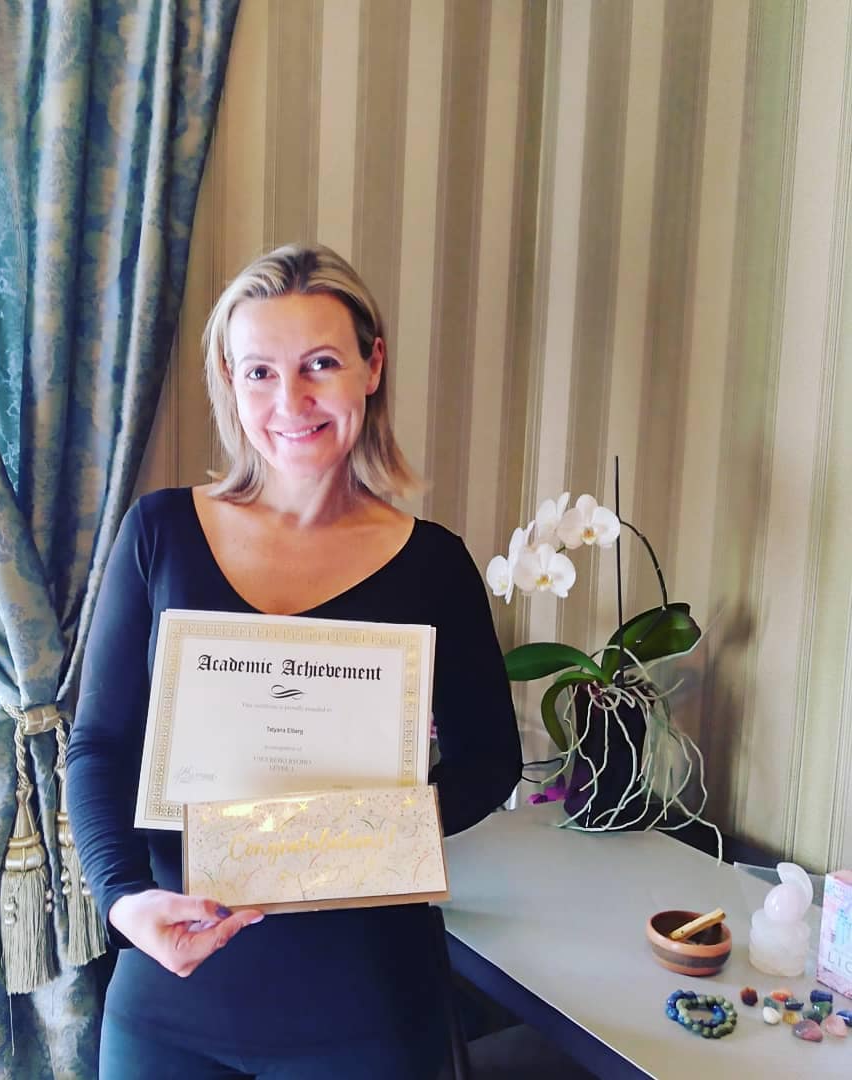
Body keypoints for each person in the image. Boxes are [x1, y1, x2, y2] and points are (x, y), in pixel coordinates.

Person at [67, 243, 522, 1079]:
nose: (291, 401)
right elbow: (99, 745)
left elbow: (490, 761)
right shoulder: (160, 534)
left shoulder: (434, 564)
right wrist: (123, 899)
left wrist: (349, 834)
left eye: (320, 364)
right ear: (230, 380)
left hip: (368, 1012)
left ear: (371, 365)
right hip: (171, 1009)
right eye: (260, 372)